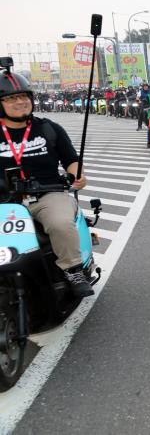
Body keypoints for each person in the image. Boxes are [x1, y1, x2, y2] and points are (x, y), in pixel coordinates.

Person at [0, 64, 93, 297]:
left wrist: (77, 175)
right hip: (4, 202)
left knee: (60, 222)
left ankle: (72, 270)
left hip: (47, 195)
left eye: (24, 96)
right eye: (11, 98)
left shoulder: (49, 128)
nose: (20, 102)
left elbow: (71, 159)